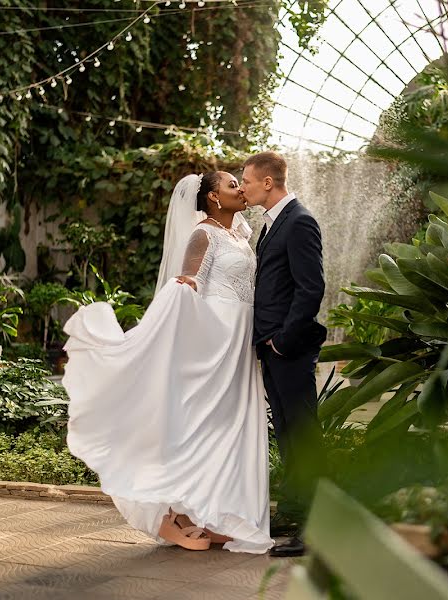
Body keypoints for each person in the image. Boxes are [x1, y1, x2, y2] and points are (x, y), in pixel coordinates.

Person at [62, 172, 273, 554]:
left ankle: (208, 513)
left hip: (240, 339)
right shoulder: (203, 234)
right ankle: (166, 516)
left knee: (225, 426)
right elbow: (190, 279)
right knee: (196, 421)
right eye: (231, 185)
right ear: (212, 197)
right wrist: (182, 291)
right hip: (214, 335)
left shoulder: (241, 234)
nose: (241, 189)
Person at [240, 151, 327, 558]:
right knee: (290, 436)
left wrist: (282, 340)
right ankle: (295, 514)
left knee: (303, 436)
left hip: (288, 348)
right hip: (273, 348)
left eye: (248, 181)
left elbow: (311, 288)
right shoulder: (273, 224)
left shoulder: (300, 221)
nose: (243, 187)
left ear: (269, 183)